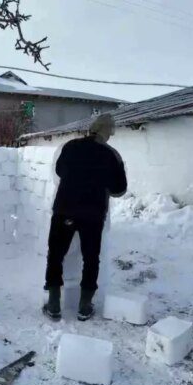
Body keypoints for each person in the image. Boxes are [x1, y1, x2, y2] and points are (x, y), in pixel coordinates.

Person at [42, 113, 127, 321]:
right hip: (92, 214)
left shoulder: (70, 146)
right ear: (108, 132)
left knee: (56, 254)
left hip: (65, 210)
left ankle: (54, 303)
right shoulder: (111, 155)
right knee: (91, 259)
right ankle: (85, 304)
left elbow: (60, 170)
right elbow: (120, 189)